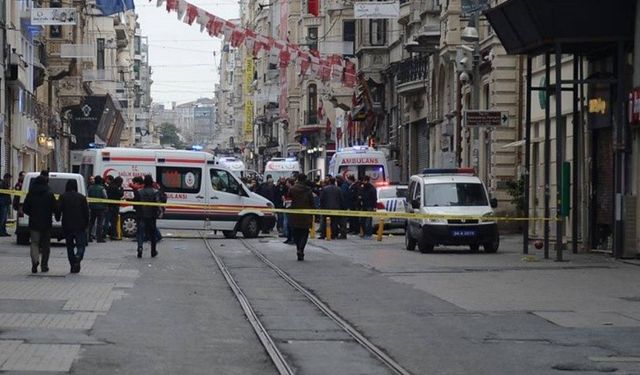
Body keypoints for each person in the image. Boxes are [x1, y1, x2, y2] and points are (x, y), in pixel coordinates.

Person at [22, 176, 56, 273]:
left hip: (34, 223)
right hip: (46, 223)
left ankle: (35, 261)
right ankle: (44, 265)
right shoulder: (49, 194)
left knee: (34, 243)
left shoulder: (31, 194)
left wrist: (32, 214)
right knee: (46, 245)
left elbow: (25, 208)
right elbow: (54, 207)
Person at [56, 180, 89, 273]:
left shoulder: (63, 196)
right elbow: (86, 212)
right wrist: (86, 224)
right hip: (80, 225)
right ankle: (78, 256)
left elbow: (58, 209)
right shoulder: (82, 197)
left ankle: (72, 264)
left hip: (67, 225)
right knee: (81, 245)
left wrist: (58, 218)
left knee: (69, 246)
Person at [288, 174, 314, 261]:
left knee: (296, 233)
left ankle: (298, 248)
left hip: (295, 215)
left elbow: (288, 198)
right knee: (304, 233)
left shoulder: (292, 189)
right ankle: (301, 249)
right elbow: (312, 202)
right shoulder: (308, 190)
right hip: (306, 215)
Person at [134, 175, 160, 258]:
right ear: (152, 182)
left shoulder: (139, 191)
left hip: (141, 215)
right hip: (152, 216)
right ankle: (153, 251)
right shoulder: (155, 192)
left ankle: (140, 247)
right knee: (152, 234)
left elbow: (136, 204)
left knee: (140, 233)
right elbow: (158, 203)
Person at [87, 175, 107, 243]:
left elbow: (88, 195)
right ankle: (99, 238)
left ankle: (88, 236)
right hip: (101, 208)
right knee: (99, 223)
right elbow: (105, 197)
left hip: (92, 207)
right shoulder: (102, 188)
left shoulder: (90, 188)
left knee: (91, 223)